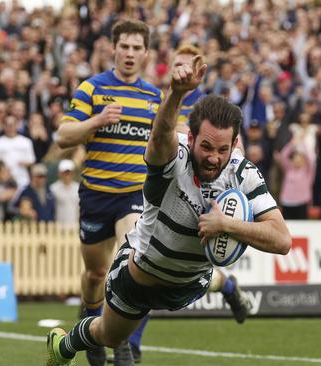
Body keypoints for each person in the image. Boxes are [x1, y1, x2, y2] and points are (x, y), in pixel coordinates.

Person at [46, 55, 291, 366]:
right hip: (139, 277)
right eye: (206, 146)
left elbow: (282, 240)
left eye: (222, 149)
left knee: (120, 331)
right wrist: (176, 94)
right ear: (190, 138)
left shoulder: (243, 173)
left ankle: (227, 287)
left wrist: (228, 225)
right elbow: (160, 137)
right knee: (108, 335)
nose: (213, 157)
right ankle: (63, 346)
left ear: (235, 144)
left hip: (187, 285)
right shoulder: (175, 155)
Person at [117, 46, 254, 363]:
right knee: (145, 261)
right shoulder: (157, 100)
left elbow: (235, 155)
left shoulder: (210, 112)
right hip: (156, 190)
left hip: (201, 200)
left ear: (198, 70)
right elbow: (157, 137)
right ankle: (125, 341)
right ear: (168, 69)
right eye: (176, 65)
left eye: (188, 66)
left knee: (168, 269)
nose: (182, 71)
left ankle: (126, 341)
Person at [54, 19, 163, 366]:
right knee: (96, 275)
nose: (130, 53)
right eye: (124, 47)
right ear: (113, 48)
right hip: (96, 196)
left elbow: (163, 143)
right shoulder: (92, 89)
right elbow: (62, 137)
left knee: (134, 260)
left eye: (137, 48)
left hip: (133, 195)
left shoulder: (153, 97)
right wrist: (96, 122)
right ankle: (89, 320)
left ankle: (123, 342)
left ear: (145, 53)